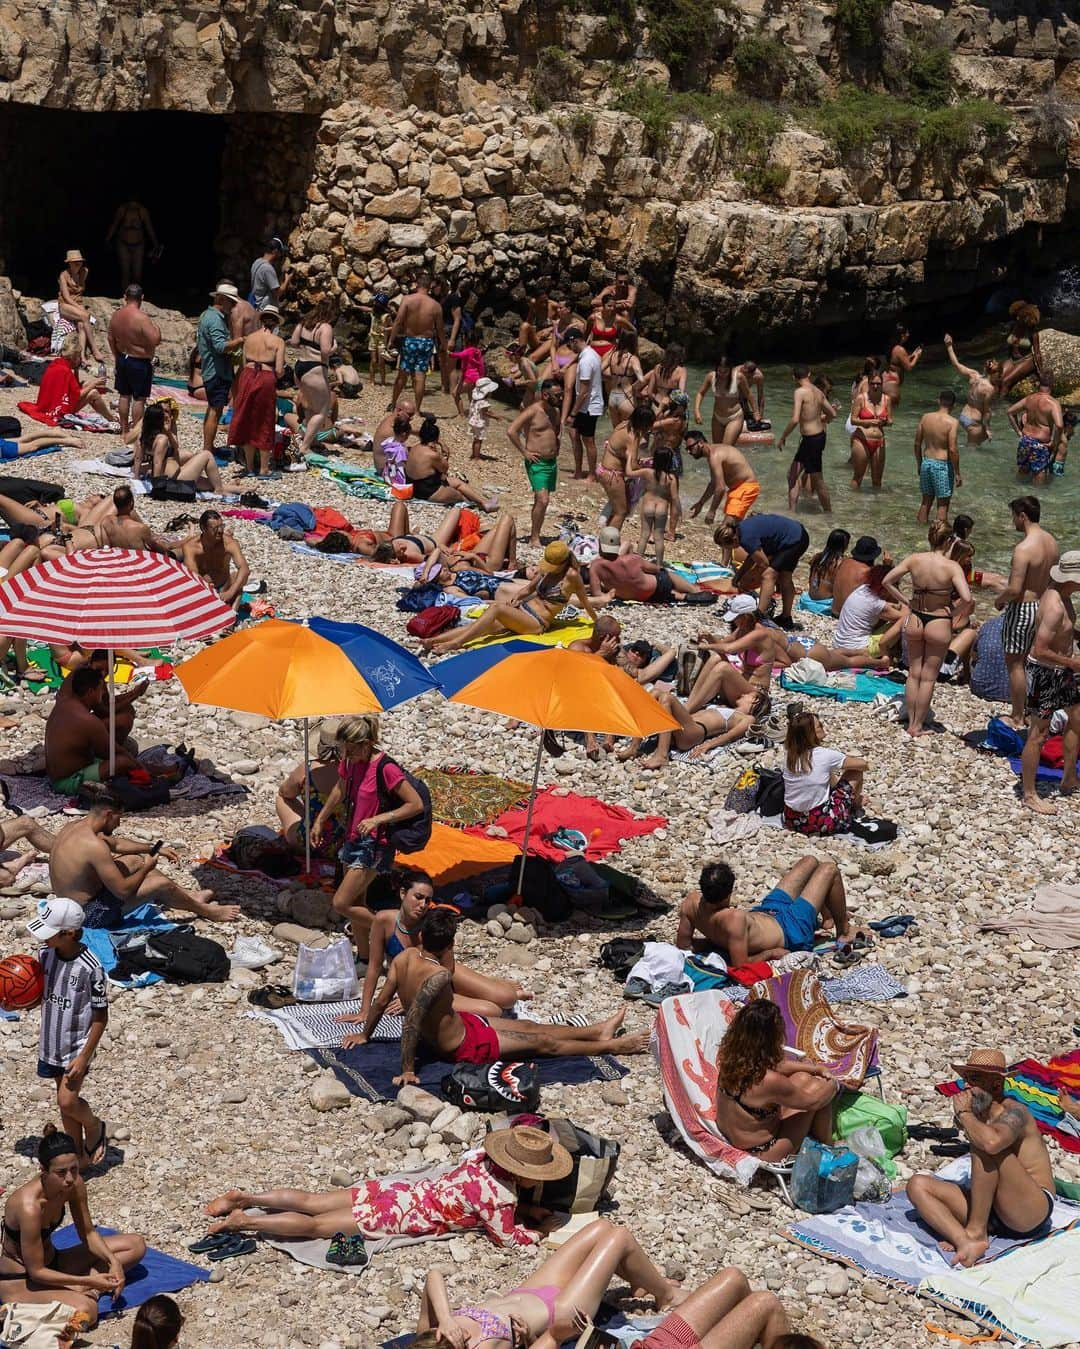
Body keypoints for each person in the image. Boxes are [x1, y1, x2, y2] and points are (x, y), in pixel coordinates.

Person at [353, 909, 649, 1072]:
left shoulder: (404, 959)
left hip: (463, 1025)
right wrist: (407, 1070)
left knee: (529, 1026)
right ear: (447, 945)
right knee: (543, 1043)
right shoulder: (438, 976)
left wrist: (365, 1034)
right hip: (464, 1045)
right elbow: (413, 1021)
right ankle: (610, 1046)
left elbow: (380, 1002)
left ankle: (596, 1031)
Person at [201, 1124, 569, 1246]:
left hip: (399, 1191)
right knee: (316, 1228)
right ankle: (244, 1222)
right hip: (399, 1215)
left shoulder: (479, 1160)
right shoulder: (501, 1197)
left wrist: (525, 1208)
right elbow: (506, 1238)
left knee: (313, 1200)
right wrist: (538, 1230)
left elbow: (477, 1199)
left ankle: (244, 1196)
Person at [411, 1219, 682, 1349]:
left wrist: (445, 1319)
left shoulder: (431, 1331)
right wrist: (530, 1339)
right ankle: (667, 1295)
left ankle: (640, 1279)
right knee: (619, 1238)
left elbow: (433, 1275)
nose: (458, 1335)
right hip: (561, 1312)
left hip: (529, 1290)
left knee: (602, 1228)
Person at [907, 1048, 1056, 1267]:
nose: (966, 1086)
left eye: (974, 1079)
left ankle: (975, 1232)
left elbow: (991, 1143)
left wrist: (965, 1115)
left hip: (1030, 1209)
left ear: (996, 1085)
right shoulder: (979, 1115)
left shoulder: (1016, 1112)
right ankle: (965, 1240)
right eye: (965, 1079)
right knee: (917, 1185)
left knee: (985, 1144)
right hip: (993, 1210)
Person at [0, 1126, 147, 1338]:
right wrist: (84, 1282)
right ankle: (24, 1310)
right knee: (87, 1309)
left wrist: (112, 1261)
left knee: (136, 1245)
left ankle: (89, 1289)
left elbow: (87, 1232)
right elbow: (36, 1271)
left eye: (74, 1169)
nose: (69, 1178)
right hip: (21, 1279)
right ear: (43, 1169)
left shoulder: (74, 1184)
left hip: (55, 1262)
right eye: (61, 1173)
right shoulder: (29, 1206)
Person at [310, 714, 424, 964]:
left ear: (366, 743)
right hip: (352, 838)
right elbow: (340, 789)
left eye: (351, 750)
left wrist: (379, 818)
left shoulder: (386, 768)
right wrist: (320, 820)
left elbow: (414, 804)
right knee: (357, 902)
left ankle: (396, 933)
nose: (346, 755)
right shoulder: (351, 762)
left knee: (341, 902)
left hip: (374, 845)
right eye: (344, 750)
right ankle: (364, 958)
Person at [349, 868, 528, 1023]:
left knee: (508, 998)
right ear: (403, 893)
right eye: (418, 897)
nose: (422, 905)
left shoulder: (431, 922)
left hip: (443, 975)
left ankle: (493, 986)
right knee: (494, 1011)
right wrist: (365, 1011)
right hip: (419, 986)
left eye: (427, 900)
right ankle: (489, 987)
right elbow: (374, 967)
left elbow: (448, 968)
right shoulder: (383, 920)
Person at [49, 797, 239, 924]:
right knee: (160, 883)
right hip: (86, 915)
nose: (119, 824)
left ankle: (190, 896)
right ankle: (208, 912)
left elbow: (116, 844)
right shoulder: (94, 846)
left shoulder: (74, 827)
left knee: (133, 860)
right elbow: (122, 891)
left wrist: (154, 848)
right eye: (118, 818)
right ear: (108, 815)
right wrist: (147, 868)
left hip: (65, 905)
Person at [27, 897, 109, 1165]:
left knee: (67, 1101)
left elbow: (100, 1016)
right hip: (50, 1043)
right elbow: (38, 994)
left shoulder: (91, 967)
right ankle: (78, 1158)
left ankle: (95, 1126)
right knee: (65, 1108)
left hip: (76, 1046)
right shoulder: (45, 955)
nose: (44, 939)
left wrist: (85, 1056)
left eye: (50, 933)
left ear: (69, 933)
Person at [420, 541, 598, 655]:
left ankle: (456, 644)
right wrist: (516, 598)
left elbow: (584, 601)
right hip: (522, 611)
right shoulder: (546, 570)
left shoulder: (572, 576)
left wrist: (596, 621)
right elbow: (528, 589)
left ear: (563, 563)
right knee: (482, 625)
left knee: (496, 608)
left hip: (536, 623)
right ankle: (433, 641)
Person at [715, 1000, 839, 1161]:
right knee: (820, 1091)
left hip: (733, 1134)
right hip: (766, 1150)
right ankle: (829, 1144)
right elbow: (813, 1102)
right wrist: (833, 1083)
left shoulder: (730, 1057)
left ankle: (822, 1138)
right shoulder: (770, 1081)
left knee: (802, 1077)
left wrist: (815, 1069)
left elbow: (776, 1066)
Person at [884, 523, 973, 736]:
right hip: (938, 621)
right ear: (949, 541)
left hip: (915, 618)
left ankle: (909, 722)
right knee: (929, 676)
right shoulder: (952, 567)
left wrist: (907, 600)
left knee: (914, 673)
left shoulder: (915, 559)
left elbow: (887, 581)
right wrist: (952, 611)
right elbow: (968, 598)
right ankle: (916, 725)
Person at [1020, 550, 1080, 813]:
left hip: (1062, 671)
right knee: (1039, 734)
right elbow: (1039, 648)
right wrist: (1073, 663)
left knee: (1077, 718)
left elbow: (1062, 633)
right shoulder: (1055, 606)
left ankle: (1068, 777)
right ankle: (1030, 794)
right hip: (1045, 672)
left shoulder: (1063, 596)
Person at [995, 496, 1059, 727]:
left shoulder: (1024, 548)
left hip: (1023, 608)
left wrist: (999, 601)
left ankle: (1017, 715)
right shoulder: (1052, 542)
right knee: (1036, 661)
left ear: (1023, 516)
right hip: (1043, 606)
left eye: (1014, 516)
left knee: (1015, 663)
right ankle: (1035, 712)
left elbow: (1014, 589)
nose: (1013, 521)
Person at [44, 666, 140, 791]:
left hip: (55, 775)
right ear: (90, 692)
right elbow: (116, 753)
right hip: (67, 781)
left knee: (127, 753)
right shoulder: (87, 720)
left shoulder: (64, 704)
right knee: (123, 762)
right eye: (100, 690)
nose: (102, 694)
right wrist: (144, 771)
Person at [717, 514, 810, 631]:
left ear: (734, 539)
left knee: (768, 575)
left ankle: (759, 615)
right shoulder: (741, 530)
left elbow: (764, 564)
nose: (732, 549)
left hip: (794, 540)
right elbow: (752, 557)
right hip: (794, 535)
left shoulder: (746, 538)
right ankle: (786, 618)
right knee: (784, 577)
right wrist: (738, 576)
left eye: (729, 547)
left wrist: (750, 579)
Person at [782, 710, 867, 836]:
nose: (823, 726)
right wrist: (843, 759)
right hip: (819, 822)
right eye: (819, 726)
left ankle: (848, 802)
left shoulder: (790, 755)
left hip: (791, 819)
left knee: (826, 772)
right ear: (811, 734)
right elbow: (863, 765)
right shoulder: (824, 754)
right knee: (855, 772)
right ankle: (854, 806)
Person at [276, 717, 348, 859]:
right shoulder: (354, 771)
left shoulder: (307, 769)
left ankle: (309, 819)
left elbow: (284, 792)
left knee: (281, 799)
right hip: (343, 844)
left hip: (308, 842)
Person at [633, 689, 758, 770]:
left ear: (755, 701)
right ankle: (634, 746)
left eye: (749, 695)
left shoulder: (747, 718)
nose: (744, 693)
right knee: (655, 692)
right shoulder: (726, 706)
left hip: (693, 733)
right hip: (680, 728)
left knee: (667, 698)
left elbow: (731, 736)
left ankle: (662, 755)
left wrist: (709, 745)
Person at [229, 303, 286, 477]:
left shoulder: (249, 338)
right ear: (275, 323)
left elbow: (244, 364)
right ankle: (263, 468)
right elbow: (278, 370)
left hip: (248, 376)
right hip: (266, 378)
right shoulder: (278, 341)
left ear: (261, 320)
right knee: (264, 420)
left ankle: (249, 467)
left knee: (247, 418)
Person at [588, 526, 711, 604]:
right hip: (656, 589)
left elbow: (597, 594)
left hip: (640, 597)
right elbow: (656, 569)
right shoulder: (633, 559)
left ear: (600, 545)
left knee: (653, 585)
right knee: (665, 573)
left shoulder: (596, 566)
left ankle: (681, 596)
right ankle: (694, 590)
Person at [17, 334, 113, 428]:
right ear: (74, 357)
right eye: (79, 357)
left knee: (85, 384)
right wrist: (94, 384)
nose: (80, 359)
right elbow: (76, 395)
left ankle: (110, 417)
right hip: (60, 410)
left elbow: (72, 387)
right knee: (93, 393)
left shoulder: (56, 363)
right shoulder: (65, 371)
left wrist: (76, 370)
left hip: (47, 404)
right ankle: (112, 419)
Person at [404, 417, 498, 510]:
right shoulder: (432, 455)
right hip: (428, 492)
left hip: (414, 487)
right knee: (459, 495)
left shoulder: (413, 448)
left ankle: (483, 502)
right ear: (436, 439)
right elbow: (444, 469)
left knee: (458, 483)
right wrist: (445, 455)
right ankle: (481, 505)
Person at [778, 364, 835, 512]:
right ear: (809, 374)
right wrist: (819, 419)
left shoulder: (799, 392)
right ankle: (792, 512)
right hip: (818, 437)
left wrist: (783, 436)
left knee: (817, 479)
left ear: (793, 378)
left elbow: (795, 419)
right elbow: (832, 414)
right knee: (792, 475)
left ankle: (828, 512)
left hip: (810, 440)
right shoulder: (818, 392)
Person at [106, 284, 161, 436]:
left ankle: (124, 430)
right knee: (139, 398)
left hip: (123, 358)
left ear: (125, 297)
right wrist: (156, 327)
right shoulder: (142, 318)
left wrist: (116, 356)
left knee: (124, 395)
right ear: (142, 298)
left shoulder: (116, 315)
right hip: (139, 361)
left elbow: (110, 338)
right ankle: (136, 432)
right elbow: (155, 340)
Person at [195, 282, 243, 457]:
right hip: (217, 371)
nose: (233, 306)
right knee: (216, 411)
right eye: (231, 302)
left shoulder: (206, 315)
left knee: (212, 409)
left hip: (212, 369)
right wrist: (239, 342)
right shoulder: (215, 319)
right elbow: (220, 346)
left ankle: (208, 446)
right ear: (221, 300)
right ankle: (208, 450)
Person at [686, 431, 760, 541]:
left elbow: (720, 488)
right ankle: (738, 554)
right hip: (738, 489)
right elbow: (713, 483)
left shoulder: (715, 456)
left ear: (700, 443)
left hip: (745, 488)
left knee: (726, 531)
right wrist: (701, 503)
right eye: (686, 449)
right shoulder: (712, 454)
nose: (689, 452)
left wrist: (712, 511)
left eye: (690, 447)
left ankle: (731, 557)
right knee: (733, 530)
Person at [388, 273, 446, 412]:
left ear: (417, 285)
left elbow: (398, 321)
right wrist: (444, 345)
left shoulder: (408, 299)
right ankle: (418, 410)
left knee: (402, 375)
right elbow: (440, 329)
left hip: (410, 340)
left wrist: (391, 340)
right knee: (420, 377)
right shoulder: (436, 306)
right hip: (426, 342)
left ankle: (393, 403)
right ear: (430, 286)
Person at [137, 401, 222, 492]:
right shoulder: (162, 439)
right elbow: (157, 462)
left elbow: (140, 457)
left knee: (211, 484)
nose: (165, 415)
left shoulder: (148, 434)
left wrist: (136, 475)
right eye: (163, 412)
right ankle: (220, 490)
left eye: (167, 411)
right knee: (207, 454)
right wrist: (157, 487)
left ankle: (234, 488)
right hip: (177, 479)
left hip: (176, 474)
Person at [289, 299, 338, 455]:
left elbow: (294, 342)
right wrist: (334, 347)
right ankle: (304, 447)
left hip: (299, 366)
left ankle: (312, 439)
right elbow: (325, 352)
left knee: (310, 407)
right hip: (315, 368)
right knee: (322, 411)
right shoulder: (325, 327)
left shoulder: (303, 323)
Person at [832, 564, 905, 664]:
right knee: (904, 621)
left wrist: (894, 605)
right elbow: (904, 618)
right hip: (858, 648)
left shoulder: (863, 589)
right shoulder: (876, 604)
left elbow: (882, 606)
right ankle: (885, 650)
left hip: (839, 644)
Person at [181, 509, 250, 610]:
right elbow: (192, 575)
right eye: (215, 528)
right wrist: (205, 586)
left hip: (224, 587)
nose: (220, 531)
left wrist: (230, 592)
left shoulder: (229, 543)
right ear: (203, 529)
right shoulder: (190, 547)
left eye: (221, 526)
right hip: (202, 588)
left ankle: (232, 614)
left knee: (237, 576)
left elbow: (244, 569)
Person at [597, 403, 652, 530]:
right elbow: (632, 466)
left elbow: (624, 454)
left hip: (604, 470)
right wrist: (648, 468)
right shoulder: (633, 437)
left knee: (616, 509)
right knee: (621, 512)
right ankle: (610, 543)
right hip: (612, 475)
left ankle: (606, 539)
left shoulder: (623, 424)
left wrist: (639, 461)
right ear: (644, 424)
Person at [943, 334, 1000, 446]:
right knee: (972, 451)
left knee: (981, 439)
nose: (999, 377)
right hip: (974, 422)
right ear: (995, 374)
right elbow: (987, 410)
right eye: (999, 374)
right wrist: (988, 427)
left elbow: (956, 364)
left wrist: (949, 346)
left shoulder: (974, 375)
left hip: (963, 417)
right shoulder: (989, 389)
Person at [1008, 369, 1063, 485]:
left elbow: (1009, 412)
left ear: (1039, 383)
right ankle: (1038, 498)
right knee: (1040, 472)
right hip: (1040, 444)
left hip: (1025, 440)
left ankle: (1016, 492)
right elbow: (1059, 425)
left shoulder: (1029, 398)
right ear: (1052, 384)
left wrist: (1018, 432)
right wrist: (1054, 442)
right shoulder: (1053, 403)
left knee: (1023, 470)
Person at [914, 390, 961, 523]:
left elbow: (917, 444)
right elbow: (952, 449)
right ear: (954, 405)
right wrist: (957, 473)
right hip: (942, 466)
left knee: (925, 502)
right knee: (942, 505)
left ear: (938, 401)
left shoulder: (925, 417)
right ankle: (940, 540)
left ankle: (919, 532)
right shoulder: (952, 422)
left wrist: (919, 463)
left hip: (926, 462)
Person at [563, 328, 604, 479]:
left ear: (574, 341)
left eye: (569, 345)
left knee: (588, 440)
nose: (569, 349)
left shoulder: (587, 360)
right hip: (585, 404)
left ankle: (592, 475)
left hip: (589, 406)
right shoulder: (589, 354)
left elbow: (584, 391)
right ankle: (578, 470)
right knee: (573, 433)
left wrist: (572, 414)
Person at [628, 446, 678, 567]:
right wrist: (676, 513)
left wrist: (630, 458)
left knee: (644, 535)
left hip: (648, 506)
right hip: (662, 508)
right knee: (659, 538)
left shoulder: (647, 472)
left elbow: (629, 473)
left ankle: (637, 562)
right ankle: (659, 565)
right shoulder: (671, 478)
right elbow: (674, 498)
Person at [57, 249, 104, 367]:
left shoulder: (85, 271)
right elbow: (67, 298)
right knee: (85, 316)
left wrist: (80, 307)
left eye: (80, 261)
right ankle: (94, 349)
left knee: (82, 324)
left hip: (78, 302)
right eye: (75, 262)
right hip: (66, 304)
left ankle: (82, 357)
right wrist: (81, 309)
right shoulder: (64, 275)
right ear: (69, 263)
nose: (78, 264)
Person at [850, 370, 892, 488]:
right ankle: (853, 502)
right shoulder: (861, 398)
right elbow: (853, 420)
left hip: (879, 441)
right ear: (868, 383)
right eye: (873, 383)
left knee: (877, 480)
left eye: (878, 384)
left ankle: (876, 505)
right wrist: (868, 422)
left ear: (882, 384)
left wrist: (885, 422)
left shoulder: (886, 400)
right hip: (862, 439)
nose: (875, 386)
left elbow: (891, 421)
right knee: (858, 476)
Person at [693, 353, 746, 447]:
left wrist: (756, 413)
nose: (722, 374)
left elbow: (749, 395)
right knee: (716, 449)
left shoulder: (739, 377)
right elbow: (700, 393)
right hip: (717, 417)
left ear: (731, 369)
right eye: (719, 371)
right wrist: (697, 411)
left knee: (725, 449)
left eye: (725, 371)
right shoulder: (711, 376)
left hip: (734, 416)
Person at [106, 200, 158, 291]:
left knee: (137, 274)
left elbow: (149, 227)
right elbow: (115, 224)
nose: (133, 204)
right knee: (125, 272)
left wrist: (155, 243)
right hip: (123, 244)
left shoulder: (142, 211)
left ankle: (136, 295)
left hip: (139, 244)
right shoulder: (122, 210)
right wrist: (107, 239)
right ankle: (124, 295)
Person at [831, 534, 885, 616]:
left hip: (834, 612)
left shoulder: (844, 562)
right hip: (849, 617)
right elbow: (887, 589)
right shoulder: (868, 572)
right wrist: (888, 567)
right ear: (873, 556)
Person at [602, 329, 644, 429]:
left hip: (612, 398)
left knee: (616, 431)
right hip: (626, 398)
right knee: (630, 431)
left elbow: (599, 370)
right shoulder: (633, 359)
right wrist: (633, 388)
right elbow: (641, 380)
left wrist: (610, 377)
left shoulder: (612, 356)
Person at [1002, 300, 1042, 394]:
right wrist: (1007, 361)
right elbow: (1010, 347)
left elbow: (1037, 353)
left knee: (1005, 382)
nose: (1016, 317)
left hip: (1026, 359)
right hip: (1012, 359)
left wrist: (1040, 372)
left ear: (1025, 318)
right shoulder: (1013, 327)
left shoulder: (1032, 333)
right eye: (1016, 315)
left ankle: (1003, 406)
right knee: (998, 379)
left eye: (1019, 316)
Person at [883, 323, 922, 407]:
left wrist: (912, 355)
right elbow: (909, 367)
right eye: (907, 333)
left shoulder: (892, 347)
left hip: (887, 379)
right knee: (891, 411)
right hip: (892, 382)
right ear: (902, 335)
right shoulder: (900, 349)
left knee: (885, 409)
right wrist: (917, 356)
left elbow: (898, 362)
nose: (908, 335)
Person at [807, 528, 850, 602]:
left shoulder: (817, 557)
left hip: (810, 597)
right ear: (844, 545)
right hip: (826, 602)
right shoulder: (842, 563)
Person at [249, 236, 289, 310]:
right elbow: (278, 293)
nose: (280, 255)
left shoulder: (257, 262)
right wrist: (287, 279)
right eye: (280, 252)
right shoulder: (268, 269)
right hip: (264, 309)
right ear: (275, 251)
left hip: (255, 304)